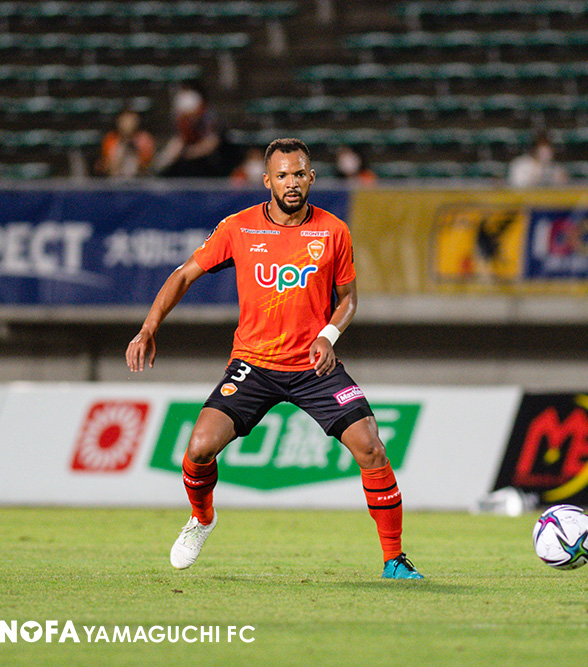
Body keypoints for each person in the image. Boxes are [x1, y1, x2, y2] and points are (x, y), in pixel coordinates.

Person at [125, 137, 424, 580]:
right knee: (199, 448)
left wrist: (327, 336)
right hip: (254, 365)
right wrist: (149, 327)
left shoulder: (333, 231)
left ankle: (394, 560)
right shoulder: (239, 228)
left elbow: (348, 299)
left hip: (314, 366)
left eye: (299, 174)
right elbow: (184, 274)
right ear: (267, 181)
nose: (291, 182)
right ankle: (202, 518)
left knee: (371, 448)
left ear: (312, 177)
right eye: (282, 175)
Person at [155, 83, 227, 178]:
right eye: (184, 117)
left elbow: (210, 144)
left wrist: (187, 153)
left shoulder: (209, 119)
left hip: (212, 168)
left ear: (199, 110)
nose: (187, 121)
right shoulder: (181, 125)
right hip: (187, 168)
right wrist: (165, 159)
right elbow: (177, 143)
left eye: (190, 117)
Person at [95, 108, 156, 178]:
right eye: (124, 121)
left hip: (139, 178)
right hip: (115, 177)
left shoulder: (144, 139)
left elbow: (147, 164)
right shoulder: (111, 138)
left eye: (130, 121)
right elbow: (106, 164)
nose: (127, 124)